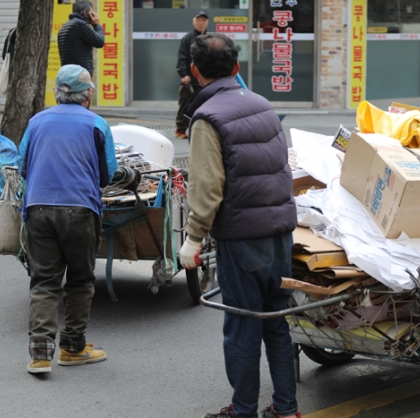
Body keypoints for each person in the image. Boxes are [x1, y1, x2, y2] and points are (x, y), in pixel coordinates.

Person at [178, 33, 300, 418]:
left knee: (243, 327)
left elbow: (207, 187)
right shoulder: (263, 105)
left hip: (243, 239)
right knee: (276, 323)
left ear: (195, 72)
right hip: (281, 232)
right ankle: (286, 409)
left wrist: (193, 237)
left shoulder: (206, 119)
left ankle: (243, 410)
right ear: (236, 68)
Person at [18, 64, 118, 374]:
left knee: (44, 282)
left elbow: (22, 166)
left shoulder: (36, 121)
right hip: (79, 209)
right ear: (87, 94)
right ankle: (73, 348)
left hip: (38, 208)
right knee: (79, 279)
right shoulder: (96, 124)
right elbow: (108, 175)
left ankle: (40, 354)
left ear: (57, 92)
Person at [174, 9, 209, 139]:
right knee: (185, 106)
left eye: (203, 20)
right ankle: (180, 130)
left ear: (207, 23)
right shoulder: (187, 39)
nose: (201, 23)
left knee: (205, 107)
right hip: (189, 80)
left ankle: (201, 131)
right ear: (193, 22)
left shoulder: (209, 38)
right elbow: (182, 58)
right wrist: (183, 74)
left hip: (205, 80)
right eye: (198, 20)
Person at [57, 0, 104, 76]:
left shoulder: (65, 26)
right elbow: (99, 41)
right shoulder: (80, 25)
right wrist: (96, 25)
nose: (93, 15)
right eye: (91, 12)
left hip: (67, 74)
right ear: (85, 13)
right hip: (80, 75)